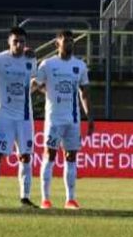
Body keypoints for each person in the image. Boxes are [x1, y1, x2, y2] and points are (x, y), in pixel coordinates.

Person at [33, 29, 93, 210]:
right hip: (53, 118)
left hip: (73, 119)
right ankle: (45, 199)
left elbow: (84, 93)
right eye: (65, 40)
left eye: (71, 41)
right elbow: (36, 84)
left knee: (71, 156)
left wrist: (89, 117)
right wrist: (45, 90)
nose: (69, 43)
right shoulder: (48, 64)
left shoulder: (80, 66)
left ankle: (70, 199)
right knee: (49, 155)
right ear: (56, 44)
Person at [0, 27, 38, 208]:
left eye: (22, 41)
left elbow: (34, 81)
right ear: (9, 42)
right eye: (15, 41)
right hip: (4, 116)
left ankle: (24, 198)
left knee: (26, 156)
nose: (18, 44)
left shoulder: (31, 59)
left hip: (24, 116)